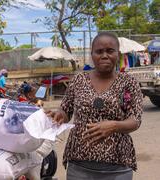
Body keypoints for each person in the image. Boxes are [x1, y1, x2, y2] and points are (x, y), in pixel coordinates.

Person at [47, 32, 143, 180]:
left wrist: (114, 125)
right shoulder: (79, 80)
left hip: (117, 167)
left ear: (118, 53)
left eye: (110, 51)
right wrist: (59, 115)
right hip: (79, 165)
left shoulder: (129, 82)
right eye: (99, 51)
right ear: (92, 54)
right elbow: (66, 110)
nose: (104, 55)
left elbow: (135, 120)